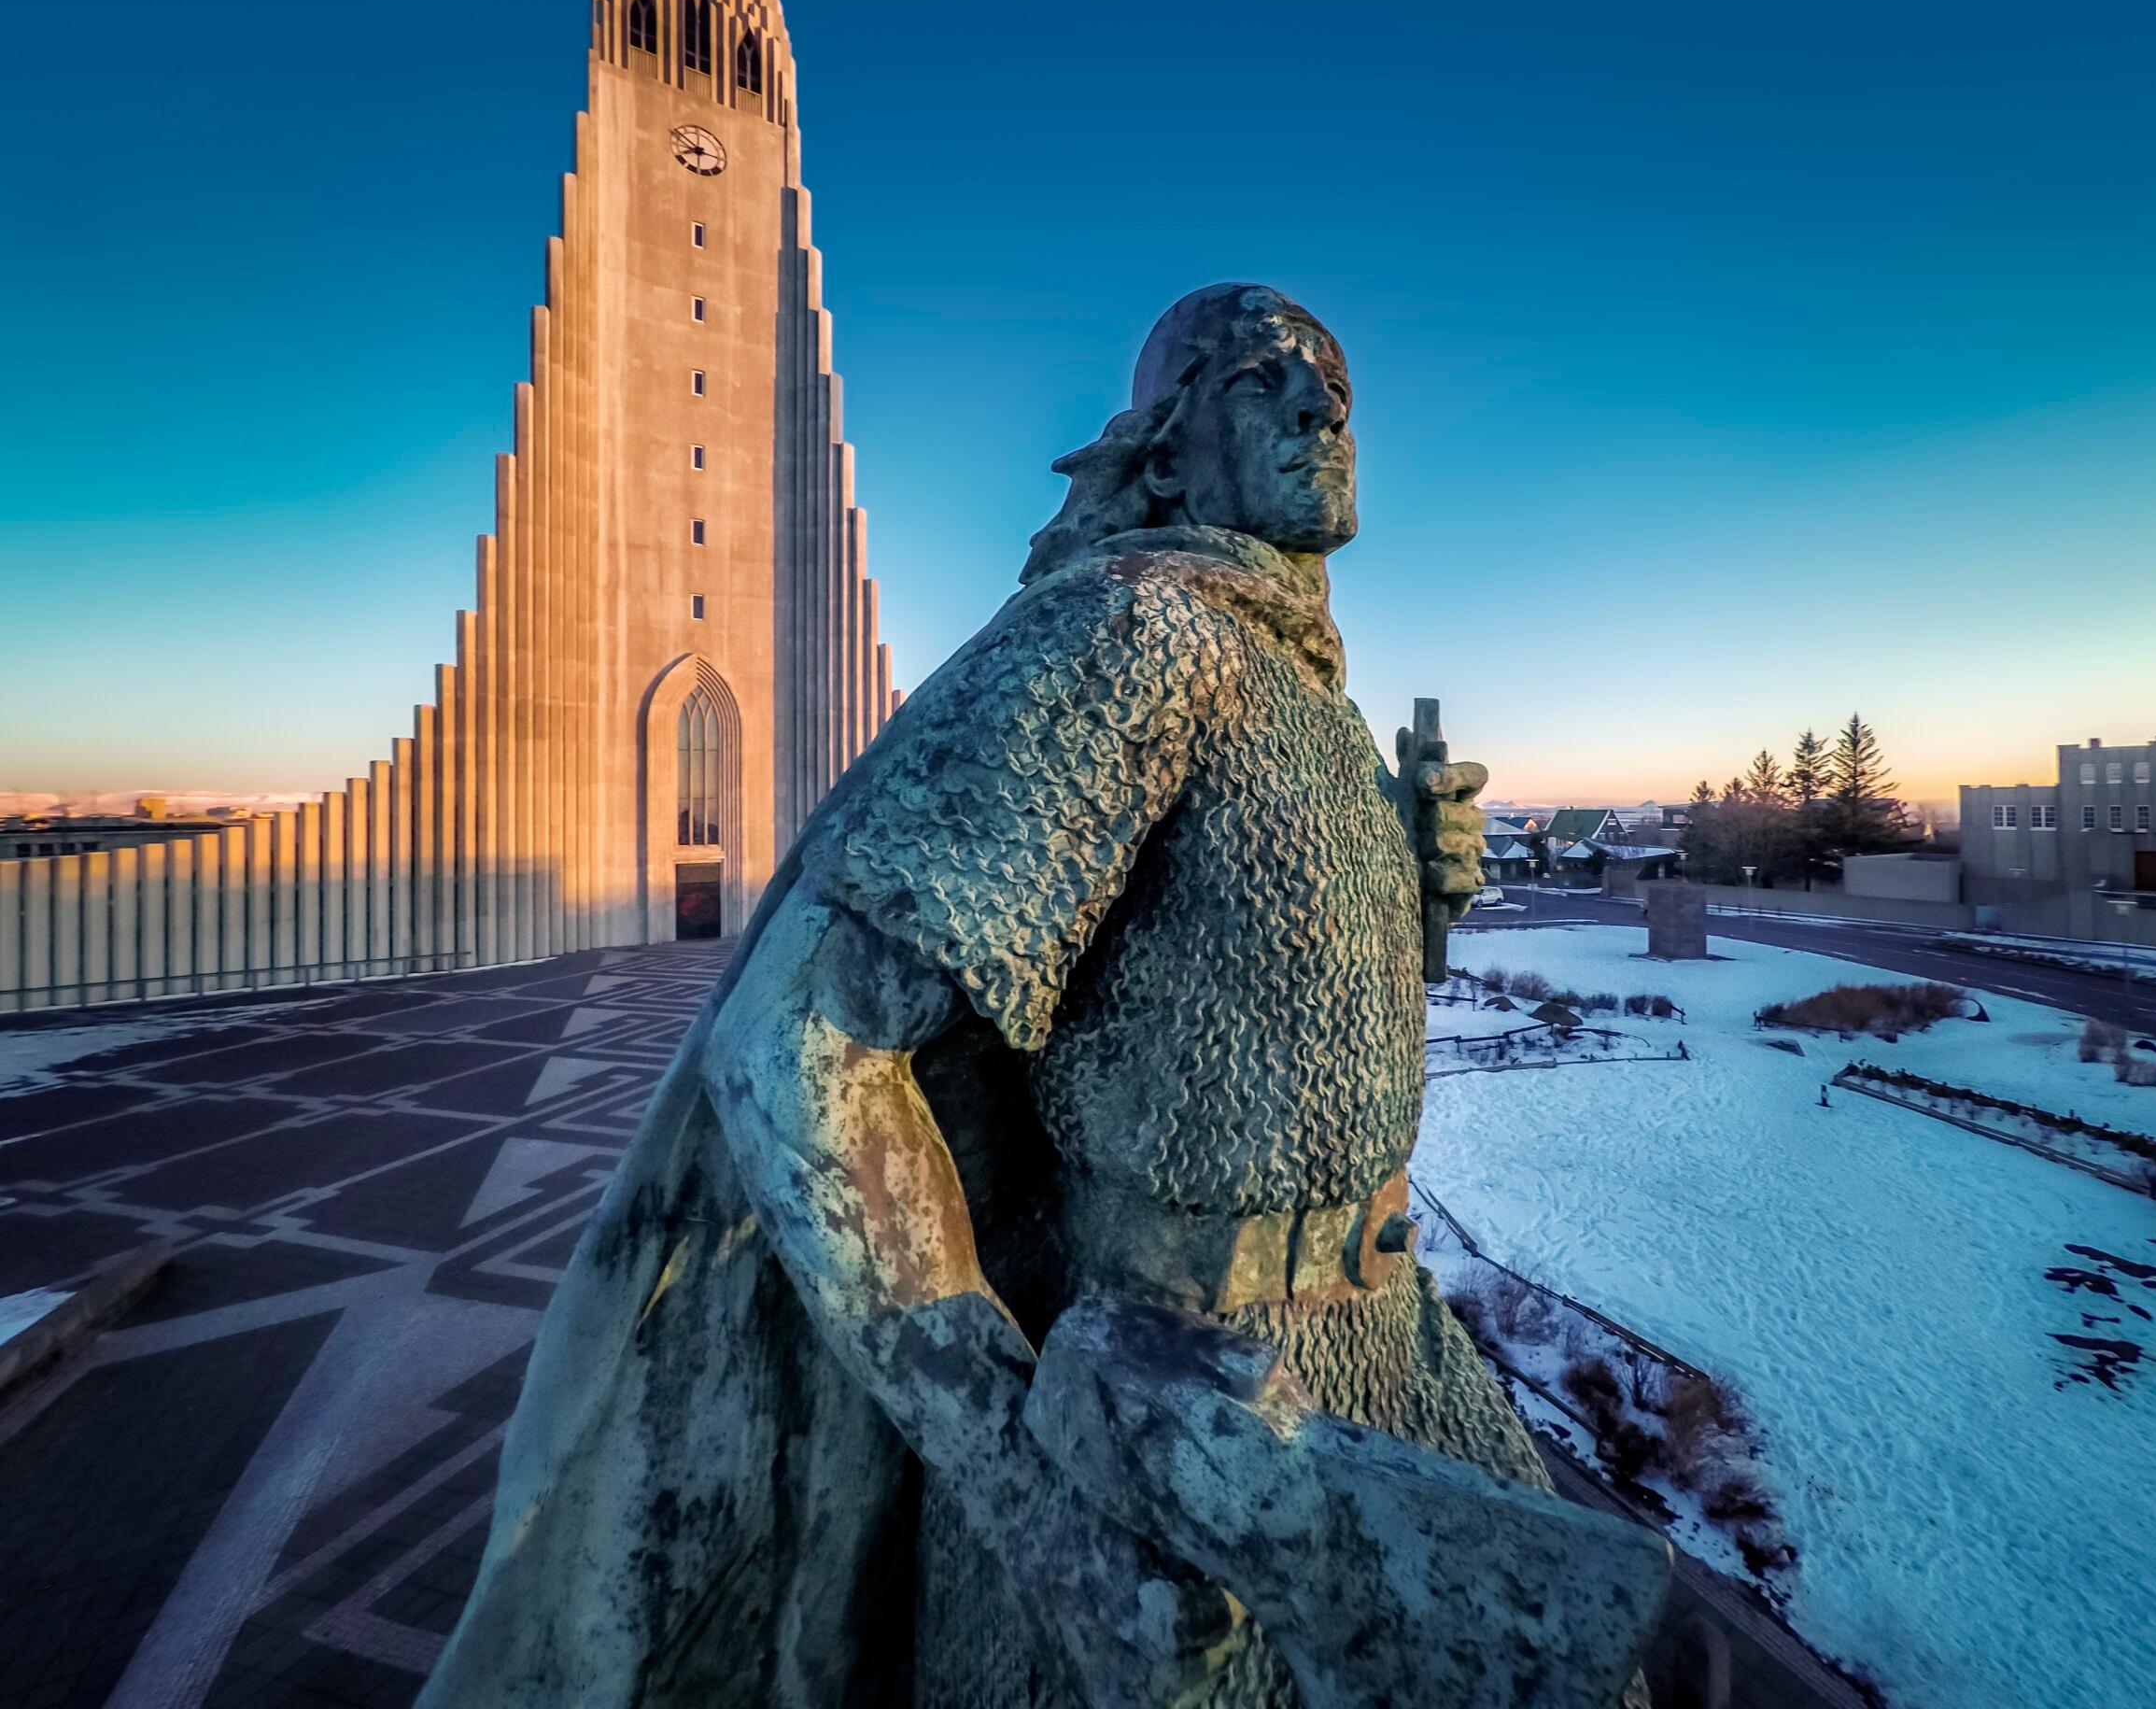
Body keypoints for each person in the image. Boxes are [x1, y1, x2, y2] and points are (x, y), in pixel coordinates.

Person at [419, 285, 1641, 1709]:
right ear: (1166, 457)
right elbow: (797, 1051)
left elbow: (1265, 1029)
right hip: (1187, 1414)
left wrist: (1422, 893)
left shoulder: (1296, 684)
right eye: (1262, 381)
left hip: (1382, 1356)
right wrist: (1031, 1496)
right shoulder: (1138, 637)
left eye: (1339, 391)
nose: (1322, 410)